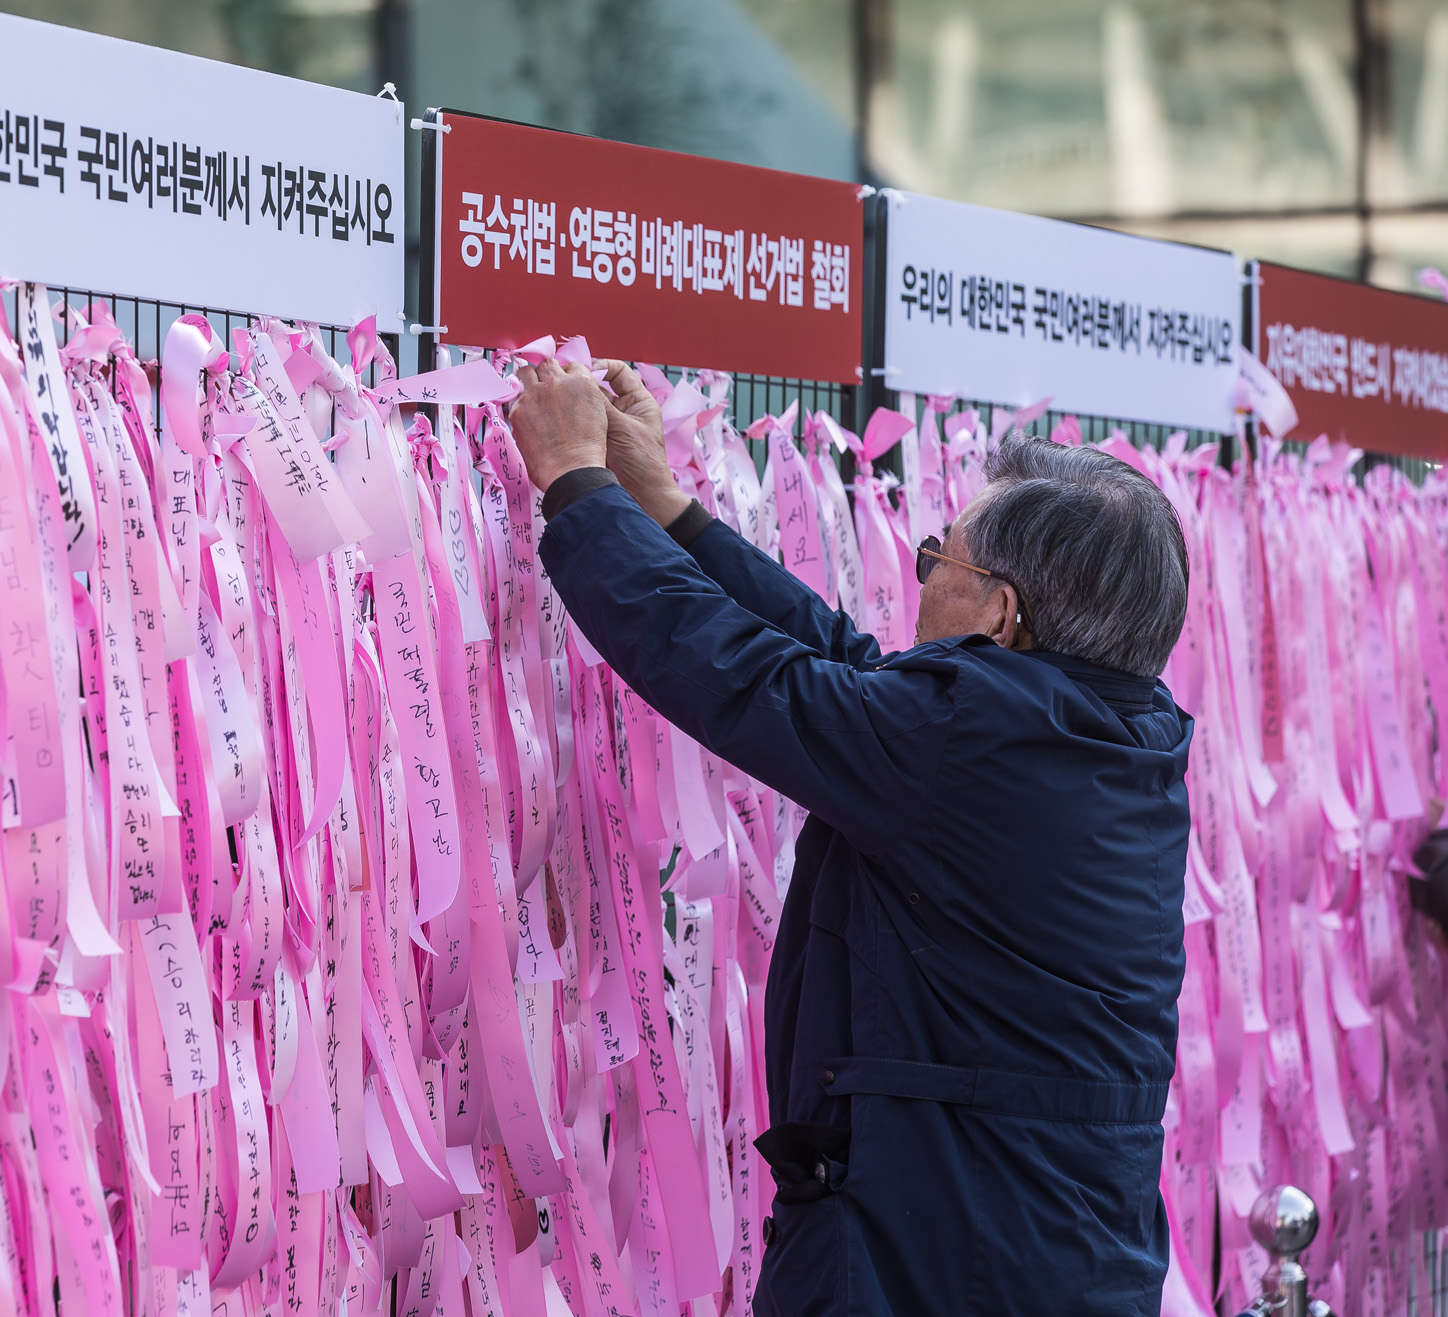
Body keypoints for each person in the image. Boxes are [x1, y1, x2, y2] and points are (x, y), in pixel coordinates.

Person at [509, 358, 1193, 1317]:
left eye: (936, 559)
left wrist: (575, 488)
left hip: (947, 1257)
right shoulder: (1111, 732)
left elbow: (753, 681)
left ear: (1003, 613)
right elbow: (849, 672)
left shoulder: (970, 739)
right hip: (1044, 1243)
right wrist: (663, 505)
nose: (919, 580)